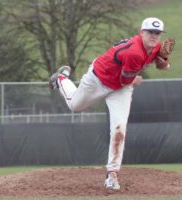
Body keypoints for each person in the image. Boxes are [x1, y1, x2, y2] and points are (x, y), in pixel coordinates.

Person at [48, 17, 174, 190]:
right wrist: (136, 79)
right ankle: (61, 78)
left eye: (157, 33)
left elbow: (160, 64)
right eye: (150, 32)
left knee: (119, 127)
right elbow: (126, 80)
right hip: (99, 79)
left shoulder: (155, 47)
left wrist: (163, 62)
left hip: (120, 88)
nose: (154, 36)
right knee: (75, 106)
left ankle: (112, 174)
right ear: (142, 32)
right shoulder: (134, 52)